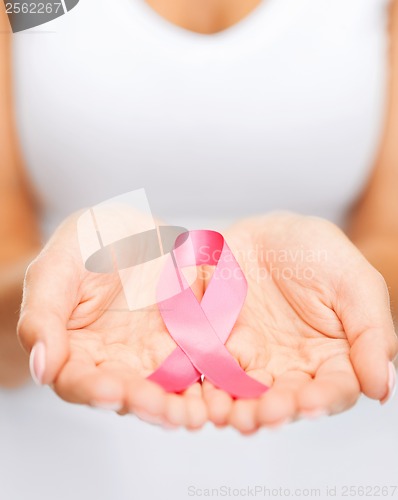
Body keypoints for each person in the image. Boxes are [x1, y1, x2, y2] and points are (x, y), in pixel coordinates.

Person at [0, 0, 397, 499]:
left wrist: (357, 293)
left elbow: (391, 242)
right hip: (59, 465)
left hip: (344, 461)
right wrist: (46, 298)